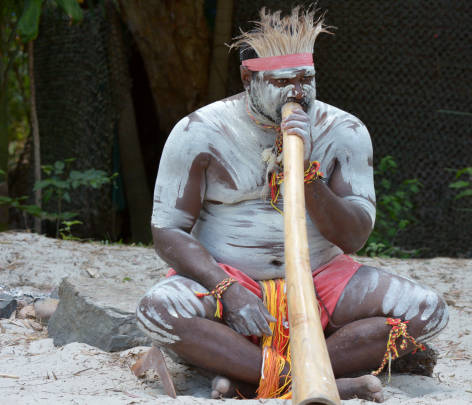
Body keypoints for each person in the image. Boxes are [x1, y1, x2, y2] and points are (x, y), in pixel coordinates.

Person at [136, 6, 448, 402]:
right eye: (282, 82)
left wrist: (307, 174)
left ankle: (254, 376)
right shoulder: (199, 132)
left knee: (429, 311)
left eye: (306, 80)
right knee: (156, 311)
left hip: (323, 275)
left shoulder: (344, 130)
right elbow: (167, 232)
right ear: (249, 79)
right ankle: (310, 379)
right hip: (227, 276)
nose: (297, 93)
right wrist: (227, 289)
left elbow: (354, 237)